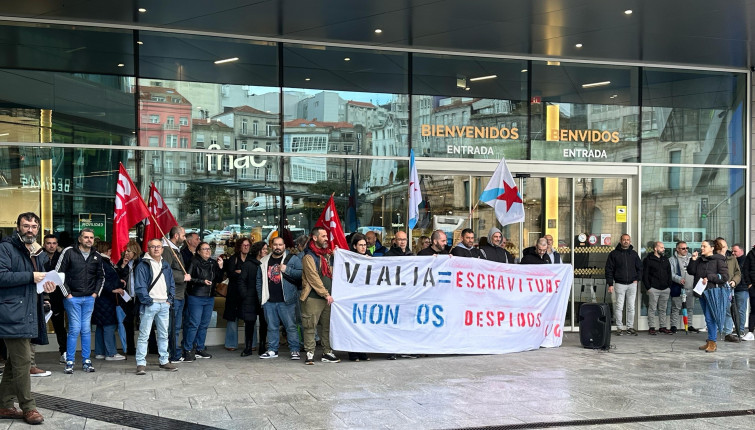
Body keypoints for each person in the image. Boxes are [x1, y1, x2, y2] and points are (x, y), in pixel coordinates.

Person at [0, 212, 55, 424]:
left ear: (38, 229)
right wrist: (32, 276)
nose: (30, 230)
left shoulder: (37, 251)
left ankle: (4, 405)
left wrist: (46, 286)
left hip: (29, 311)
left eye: (34, 226)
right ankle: (28, 407)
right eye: (26, 226)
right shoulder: (6, 248)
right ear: (18, 227)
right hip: (11, 314)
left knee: (15, 363)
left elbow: (39, 281)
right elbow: (2, 276)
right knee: (23, 362)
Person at [55, 228, 104, 374]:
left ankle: (86, 361)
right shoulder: (69, 252)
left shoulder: (97, 255)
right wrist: (67, 294)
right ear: (80, 239)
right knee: (75, 329)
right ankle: (70, 361)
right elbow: (58, 273)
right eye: (86, 237)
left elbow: (101, 276)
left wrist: (95, 293)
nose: (89, 240)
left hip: (89, 298)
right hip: (73, 298)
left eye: (91, 237)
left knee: (86, 329)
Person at [134, 239, 177, 374]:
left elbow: (171, 284)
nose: (156, 249)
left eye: (159, 246)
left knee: (164, 335)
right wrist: (149, 301)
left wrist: (169, 300)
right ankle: (141, 363)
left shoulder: (165, 264)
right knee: (144, 335)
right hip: (150, 304)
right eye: (153, 247)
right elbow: (140, 286)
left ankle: (164, 360)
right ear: (148, 249)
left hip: (164, 304)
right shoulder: (142, 265)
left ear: (162, 249)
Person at [257, 237, 302, 360]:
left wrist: (287, 269)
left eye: (280, 244)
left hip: (287, 300)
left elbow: (301, 274)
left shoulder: (292, 259)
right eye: (275, 244)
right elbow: (259, 280)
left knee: (291, 326)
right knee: (272, 327)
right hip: (269, 300)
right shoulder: (264, 261)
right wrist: (262, 298)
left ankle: (294, 350)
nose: (277, 247)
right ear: (271, 246)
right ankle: (272, 349)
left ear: (284, 246)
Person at [300, 227, 339, 365]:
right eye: (323, 236)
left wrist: (336, 256)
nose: (326, 239)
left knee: (327, 326)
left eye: (326, 236)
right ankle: (310, 353)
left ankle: (326, 352)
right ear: (315, 238)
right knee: (310, 326)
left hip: (327, 298)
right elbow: (313, 278)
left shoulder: (326, 255)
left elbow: (332, 272)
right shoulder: (308, 257)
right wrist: (326, 294)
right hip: (313, 298)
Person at [183, 241, 224, 361]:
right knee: (194, 324)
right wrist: (202, 282)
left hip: (209, 297)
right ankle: (188, 349)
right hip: (196, 296)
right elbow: (188, 278)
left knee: (204, 324)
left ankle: (200, 348)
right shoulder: (194, 261)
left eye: (209, 249)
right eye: (204, 249)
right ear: (199, 251)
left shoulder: (213, 262)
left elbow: (219, 279)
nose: (207, 251)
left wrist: (220, 267)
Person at [687, 239, 729, 353]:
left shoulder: (719, 260)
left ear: (712, 248)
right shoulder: (700, 260)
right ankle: (710, 340)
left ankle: (712, 342)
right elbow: (691, 271)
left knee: (711, 318)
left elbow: (725, 277)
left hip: (713, 293)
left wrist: (709, 277)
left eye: (704, 246)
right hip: (702, 292)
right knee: (708, 318)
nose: (702, 248)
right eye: (701, 246)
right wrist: (693, 259)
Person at [162, 226, 191, 363]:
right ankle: (171, 353)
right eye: (183, 235)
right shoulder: (167, 250)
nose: (185, 238)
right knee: (172, 327)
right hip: (174, 295)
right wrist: (182, 277)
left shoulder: (175, 249)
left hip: (180, 294)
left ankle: (173, 352)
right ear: (176, 236)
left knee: (176, 326)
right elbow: (165, 271)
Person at [92, 242, 126, 360]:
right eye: (111, 250)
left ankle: (99, 352)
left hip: (100, 299)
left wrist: (118, 281)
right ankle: (111, 353)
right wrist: (113, 289)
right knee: (109, 326)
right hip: (106, 299)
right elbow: (102, 279)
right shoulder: (103, 262)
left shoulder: (100, 261)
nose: (112, 252)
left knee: (101, 326)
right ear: (106, 250)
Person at [605, 234, 642, 336]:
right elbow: (609, 269)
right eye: (624, 240)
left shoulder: (634, 254)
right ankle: (619, 328)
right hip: (619, 284)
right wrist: (610, 284)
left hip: (632, 284)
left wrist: (637, 279)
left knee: (631, 307)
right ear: (620, 241)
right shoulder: (614, 254)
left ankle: (630, 327)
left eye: (628, 240)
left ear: (630, 241)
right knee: (619, 307)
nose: (626, 241)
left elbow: (640, 268)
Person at [40, 234, 67, 363]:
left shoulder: (61, 258)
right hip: (41, 296)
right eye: (49, 243)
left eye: (54, 243)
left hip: (57, 297)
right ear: (44, 244)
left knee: (59, 327)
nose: (51, 246)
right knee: (36, 325)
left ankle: (64, 352)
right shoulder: (39, 257)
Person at [238, 241, 267, 357]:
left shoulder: (267, 263)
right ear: (258, 251)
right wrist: (245, 295)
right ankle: (248, 347)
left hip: (264, 298)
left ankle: (262, 346)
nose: (266, 251)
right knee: (249, 323)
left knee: (264, 323)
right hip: (250, 298)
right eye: (264, 249)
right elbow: (241, 281)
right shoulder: (248, 264)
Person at [223, 238, 252, 351]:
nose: (246, 247)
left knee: (250, 318)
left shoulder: (251, 259)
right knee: (232, 318)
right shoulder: (233, 258)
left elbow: (253, 274)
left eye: (248, 245)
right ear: (239, 246)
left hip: (247, 293)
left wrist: (240, 272)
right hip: (234, 293)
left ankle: (251, 344)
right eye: (244, 245)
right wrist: (245, 273)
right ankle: (231, 344)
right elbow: (231, 274)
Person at [115, 240, 141, 356]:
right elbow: (116, 278)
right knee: (128, 322)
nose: (126, 253)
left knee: (144, 322)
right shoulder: (121, 262)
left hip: (139, 297)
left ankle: (151, 347)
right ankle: (131, 348)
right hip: (126, 297)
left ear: (135, 252)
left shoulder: (140, 262)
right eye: (125, 251)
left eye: (129, 251)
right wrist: (123, 266)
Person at [642, 241, 672, 335]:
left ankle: (663, 327)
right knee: (652, 308)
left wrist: (669, 286)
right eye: (661, 247)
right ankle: (652, 327)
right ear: (655, 248)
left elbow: (669, 273)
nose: (663, 249)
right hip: (653, 289)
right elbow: (645, 275)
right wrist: (648, 288)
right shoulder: (648, 260)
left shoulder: (665, 259)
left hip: (665, 288)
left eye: (663, 247)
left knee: (663, 309)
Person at [716, 238, 742, 342]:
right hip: (716, 288)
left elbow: (738, 272)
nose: (725, 247)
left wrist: (734, 281)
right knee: (716, 311)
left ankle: (728, 333)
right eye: (723, 246)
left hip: (728, 288)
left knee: (728, 311)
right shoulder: (713, 258)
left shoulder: (732, 258)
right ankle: (713, 334)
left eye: (725, 245)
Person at [669, 241, 696, 333]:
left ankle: (689, 325)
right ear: (677, 249)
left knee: (690, 307)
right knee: (675, 307)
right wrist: (678, 279)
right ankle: (674, 326)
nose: (686, 250)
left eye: (687, 248)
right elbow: (671, 273)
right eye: (683, 248)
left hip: (690, 287)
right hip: (678, 287)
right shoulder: (672, 260)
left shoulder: (691, 258)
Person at [730, 243, 748, 340]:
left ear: (741, 251)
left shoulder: (746, 261)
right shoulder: (733, 260)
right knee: (733, 310)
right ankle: (736, 328)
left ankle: (740, 330)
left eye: (735, 251)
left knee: (741, 310)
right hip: (733, 288)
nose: (733, 253)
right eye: (732, 251)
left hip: (742, 288)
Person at [743, 243, 755, 341]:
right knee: (754, 309)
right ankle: (751, 332)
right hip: (753, 286)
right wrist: (749, 284)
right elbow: (745, 270)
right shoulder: (751, 254)